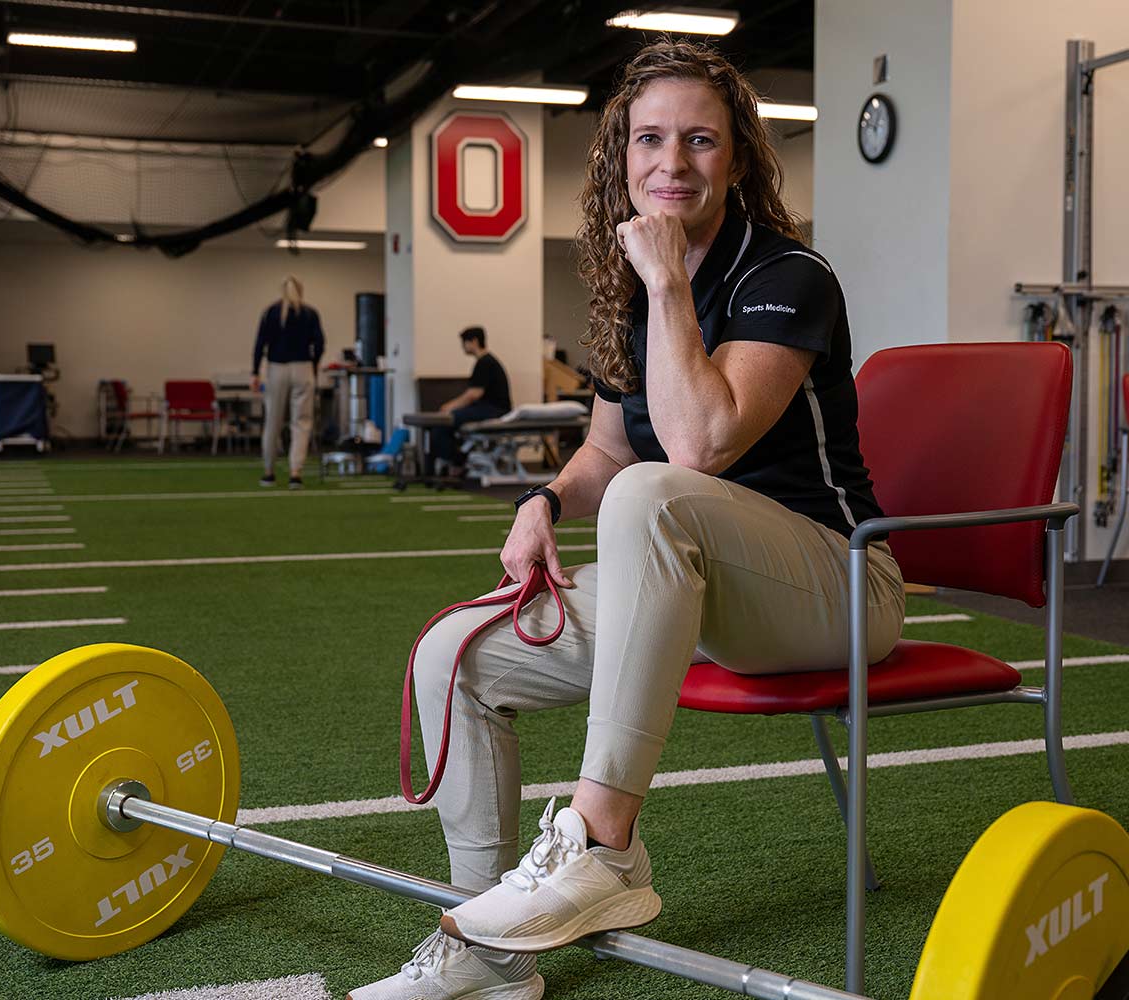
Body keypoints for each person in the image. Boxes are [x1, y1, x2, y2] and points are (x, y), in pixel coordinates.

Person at [352, 40, 901, 1000]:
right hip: (696, 585)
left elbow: (694, 446)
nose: (672, 163)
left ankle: (604, 846)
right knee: (459, 655)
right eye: (651, 139)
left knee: (660, 491)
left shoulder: (787, 275)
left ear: (738, 158)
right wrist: (541, 501)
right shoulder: (634, 294)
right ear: (620, 156)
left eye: (700, 140)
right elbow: (607, 454)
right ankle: (490, 957)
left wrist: (669, 285)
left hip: (836, 584)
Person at [251, 276, 326, 487]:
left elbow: (259, 344)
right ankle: (295, 473)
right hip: (303, 368)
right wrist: (314, 364)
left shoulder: (270, 312)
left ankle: (269, 472)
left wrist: (255, 372)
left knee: (273, 422)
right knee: (301, 422)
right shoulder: (310, 313)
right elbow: (320, 343)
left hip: (276, 368)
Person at [427, 327, 511, 474]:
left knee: (443, 424)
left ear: (474, 342)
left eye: (464, 343)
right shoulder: (486, 361)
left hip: (494, 410)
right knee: (447, 421)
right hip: (490, 407)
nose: (463, 347)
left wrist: (449, 407)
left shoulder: (485, 363)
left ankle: (457, 463)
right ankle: (457, 461)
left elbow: (474, 394)